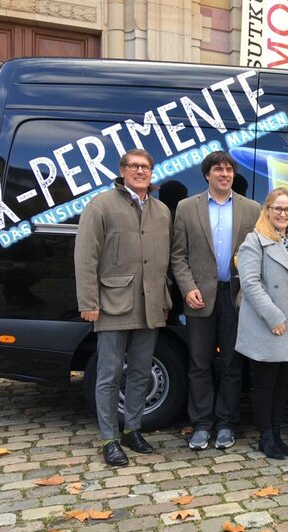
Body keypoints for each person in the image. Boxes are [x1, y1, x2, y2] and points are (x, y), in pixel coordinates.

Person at [74, 149, 172, 467]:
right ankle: (109, 438)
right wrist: (89, 302)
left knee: (141, 372)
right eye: (134, 166)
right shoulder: (101, 204)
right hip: (112, 304)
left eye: (145, 167)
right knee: (109, 373)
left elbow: (166, 262)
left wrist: (166, 299)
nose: (140, 171)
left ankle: (132, 429)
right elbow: (86, 256)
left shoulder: (161, 210)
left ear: (152, 172)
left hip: (150, 305)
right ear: (122, 170)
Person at [171, 152, 260, 451]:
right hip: (199, 296)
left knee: (233, 364)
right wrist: (187, 288)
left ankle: (226, 423)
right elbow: (178, 256)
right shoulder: (186, 208)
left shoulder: (251, 209)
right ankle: (202, 423)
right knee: (199, 362)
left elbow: (257, 255)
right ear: (207, 175)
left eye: (229, 169)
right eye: (218, 169)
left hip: (236, 297)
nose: (224, 174)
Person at [235, 187, 288, 459]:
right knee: (264, 383)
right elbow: (249, 283)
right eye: (277, 208)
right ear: (267, 210)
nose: (283, 213)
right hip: (269, 324)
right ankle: (266, 437)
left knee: (283, 383)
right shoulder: (255, 240)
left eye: (287, 209)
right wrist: (273, 317)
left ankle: (277, 433)